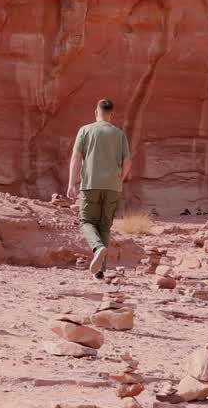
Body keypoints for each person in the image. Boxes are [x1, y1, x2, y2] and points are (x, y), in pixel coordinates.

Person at [66, 98, 131, 279]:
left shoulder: (85, 130)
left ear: (96, 112)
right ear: (111, 114)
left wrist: (72, 183)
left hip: (90, 185)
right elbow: (127, 162)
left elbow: (76, 158)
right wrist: (120, 178)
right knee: (104, 226)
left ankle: (97, 247)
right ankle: (100, 271)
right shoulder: (119, 134)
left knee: (86, 221)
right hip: (113, 187)